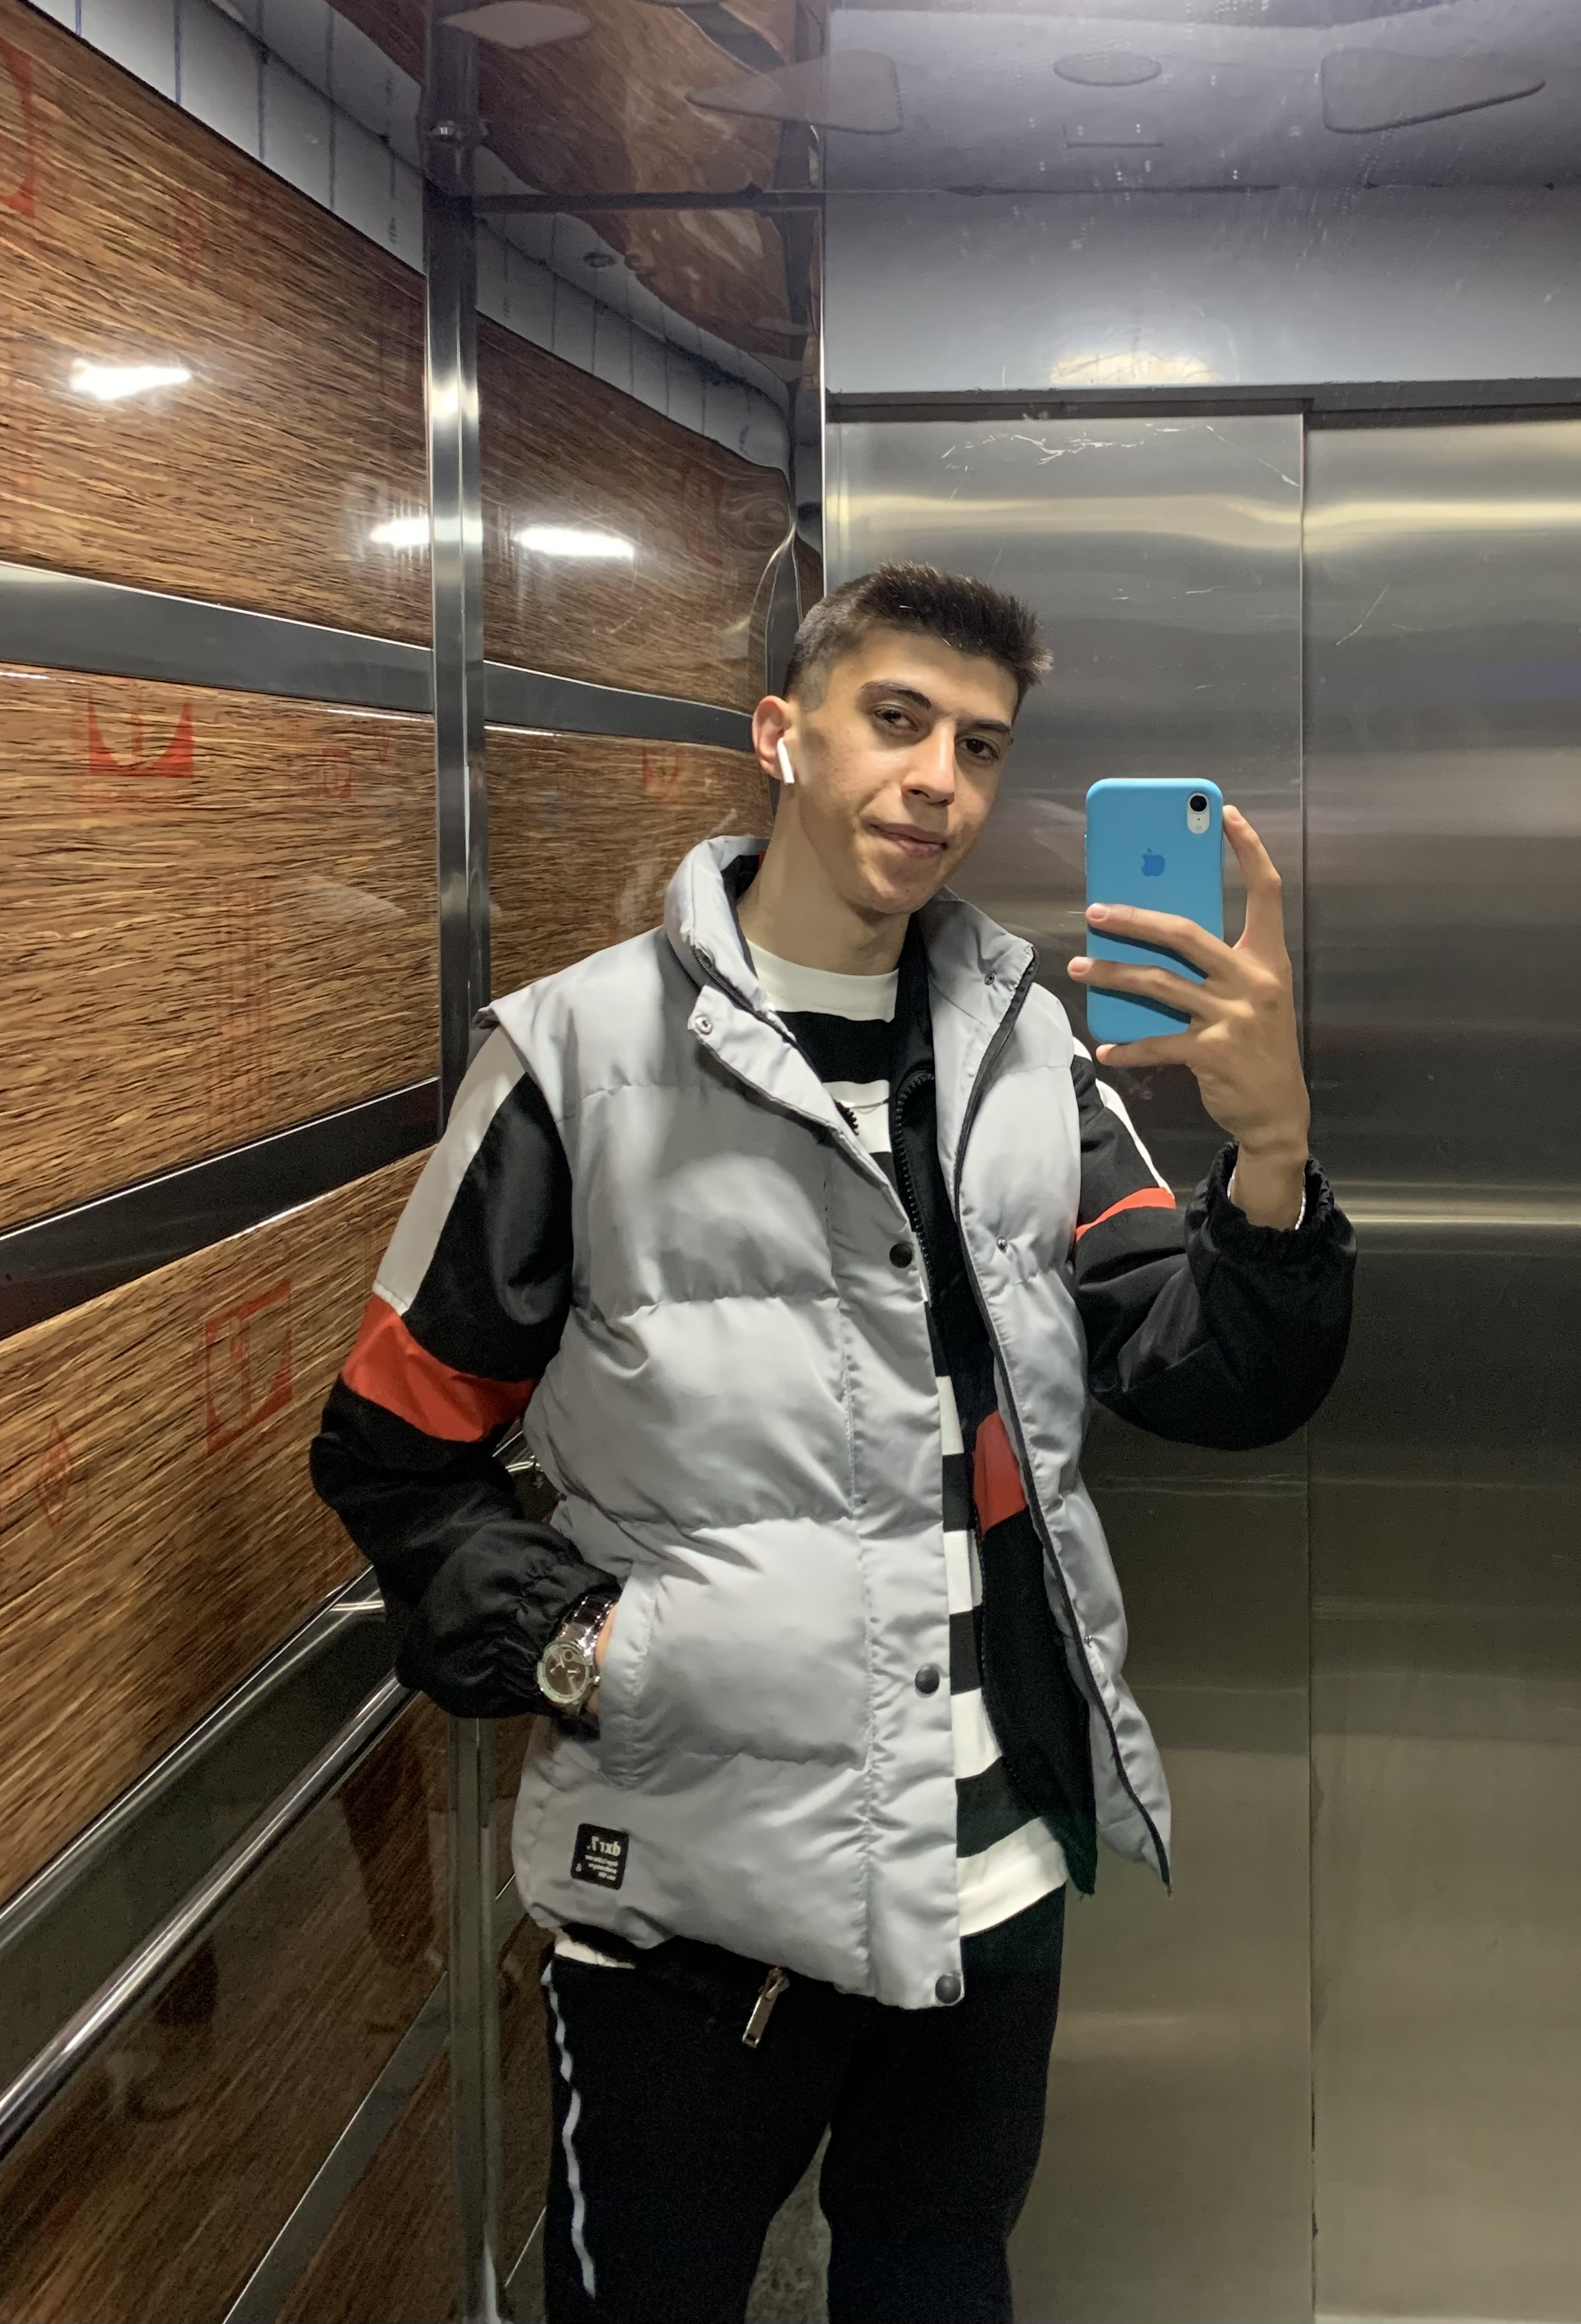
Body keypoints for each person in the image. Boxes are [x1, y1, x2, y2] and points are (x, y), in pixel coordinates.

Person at [311, 561, 1356, 2324]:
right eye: (894, 719)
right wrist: (590, 1650)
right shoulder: (578, 1060)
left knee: (938, 2276)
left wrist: (1269, 1157)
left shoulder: (1026, 1052)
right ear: (781, 733)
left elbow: (1200, 1371)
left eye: (978, 744)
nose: (936, 777)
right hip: (693, 1900)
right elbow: (391, 1447)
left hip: (992, 1871)